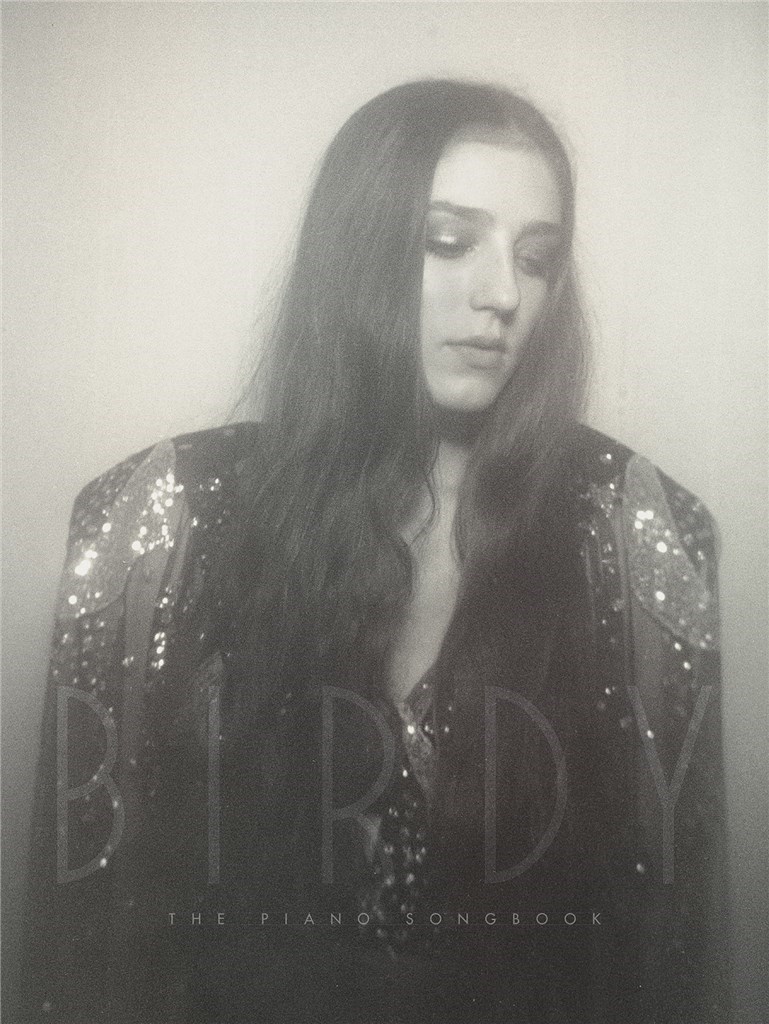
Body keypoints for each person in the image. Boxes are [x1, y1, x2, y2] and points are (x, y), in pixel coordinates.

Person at [20, 79, 728, 1023]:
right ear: (355, 251)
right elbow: (83, 937)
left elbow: (669, 953)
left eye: (536, 258)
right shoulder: (165, 519)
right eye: (448, 242)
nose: (502, 295)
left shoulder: (633, 535)